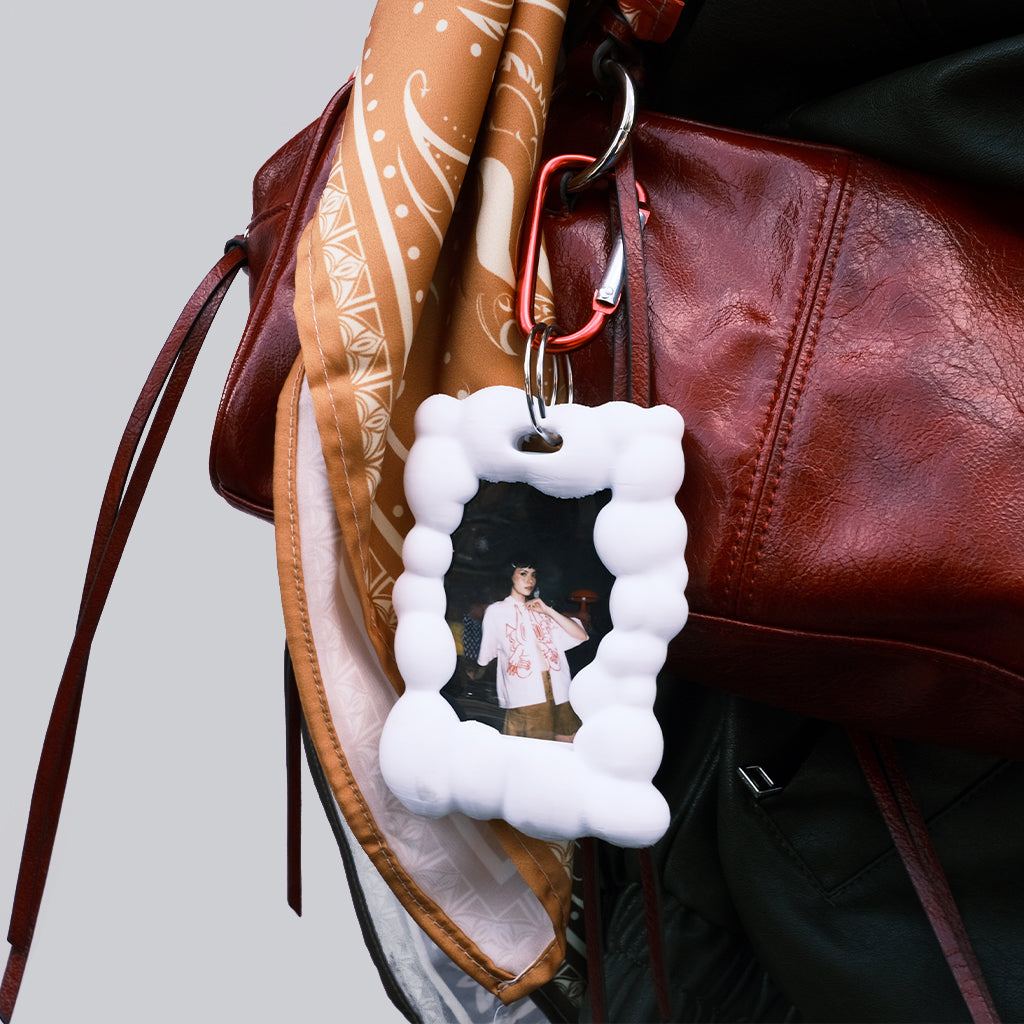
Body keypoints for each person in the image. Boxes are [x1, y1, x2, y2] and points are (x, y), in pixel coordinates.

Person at [476, 559, 587, 741]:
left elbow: (581, 635)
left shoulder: (539, 609)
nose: (530, 580)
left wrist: (547, 610)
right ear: (510, 577)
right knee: (533, 746)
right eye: (523, 574)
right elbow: (486, 654)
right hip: (526, 692)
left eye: (533, 575)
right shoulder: (497, 611)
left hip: (559, 689)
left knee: (569, 741)